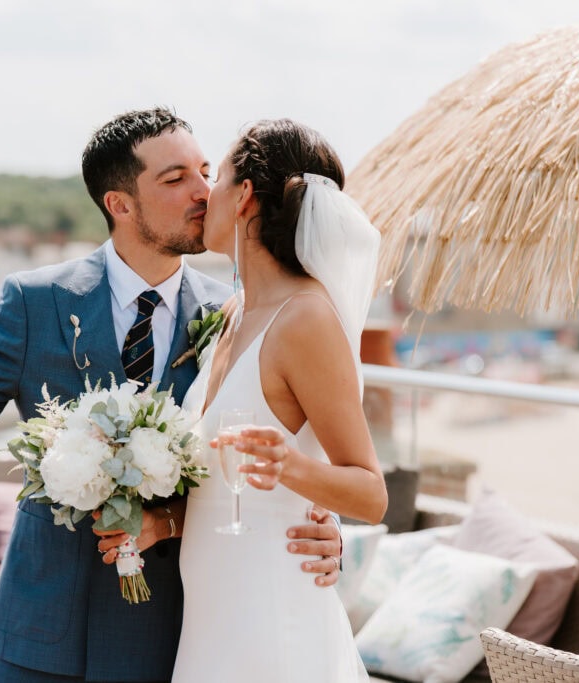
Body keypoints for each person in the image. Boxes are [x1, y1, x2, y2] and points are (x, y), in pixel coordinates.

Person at [0, 107, 344, 683]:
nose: (203, 192)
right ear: (120, 204)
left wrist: (323, 525)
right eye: (175, 178)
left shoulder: (234, 316)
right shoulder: (33, 302)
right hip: (38, 636)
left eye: (205, 171)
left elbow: (278, 445)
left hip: (171, 639)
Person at [170, 119, 388, 682]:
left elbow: (370, 492)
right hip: (213, 610)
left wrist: (291, 467)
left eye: (215, 177)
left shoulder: (306, 319)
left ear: (244, 196)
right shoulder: (232, 313)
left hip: (271, 606)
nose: (204, 194)